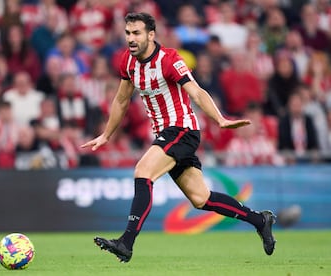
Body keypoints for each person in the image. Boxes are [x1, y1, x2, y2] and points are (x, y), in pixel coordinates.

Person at [81, 12, 276, 263]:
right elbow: (121, 100)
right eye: (128, 33)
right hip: (166, 134)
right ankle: (260, 220)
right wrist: (106, 135)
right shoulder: (128, 62)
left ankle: (126, 242)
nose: (131, 38)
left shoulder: (170, 59)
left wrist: (220, 119)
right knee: (200, 198)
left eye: (136, 33)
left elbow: (196, 91)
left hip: (182, 130)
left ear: (151, 35)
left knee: (143, 172)